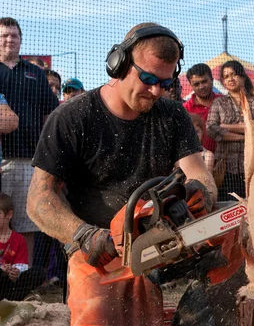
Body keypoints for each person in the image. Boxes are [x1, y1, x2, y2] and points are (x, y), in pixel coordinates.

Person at [27, 22, 217, 325]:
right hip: (95, 246)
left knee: (226, 252)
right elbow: (39, 200)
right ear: (119, 64)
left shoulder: (172, 115)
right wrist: (83, 234)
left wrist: (199, 192)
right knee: (100, 315)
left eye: (165, 83)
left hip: (153, 238)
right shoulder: (74, 116)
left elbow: (197, 171)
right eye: (148, 78)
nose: (156, 91)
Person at [0, 17, 59, 266]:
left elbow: (50, 113)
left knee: (26, 222)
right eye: (4, 35)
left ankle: (26, 275)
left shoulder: (34, 72)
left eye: (14, 35)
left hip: (28, 156)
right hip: (2, 157)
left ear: (21, 40)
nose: (9, 40)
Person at [207, 60, 254, 200]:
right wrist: (245, 137)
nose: (230, 79)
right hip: (227, 168)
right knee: (229, 209)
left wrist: (226, 127)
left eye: (233, 74)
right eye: (226, 77)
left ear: (242, 76)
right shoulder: (218, 102)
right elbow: (211, 128)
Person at [0, 193, 45, 301]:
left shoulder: (18, 239)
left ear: (9, 215)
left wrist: (15, 272)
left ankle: (12, 299)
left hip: (10, 283)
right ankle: (14, 299)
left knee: (38, 272)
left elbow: (21, 265)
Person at [184, 63, 220, 153]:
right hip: (199, 161)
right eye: (196, 84)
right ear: (191, 85)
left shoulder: (225, 102)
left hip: (225, 158)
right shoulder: (185, 109)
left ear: (212, 79)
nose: (201, 87)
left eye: (204, 81)